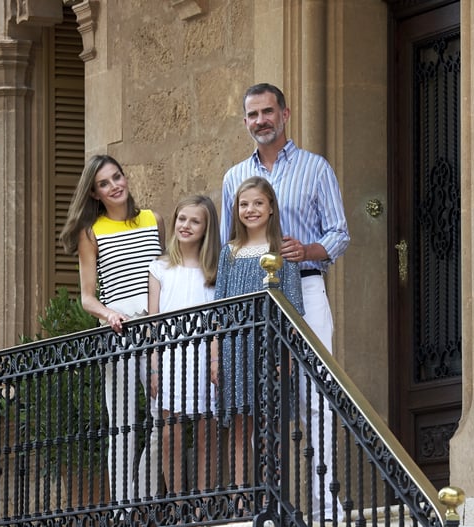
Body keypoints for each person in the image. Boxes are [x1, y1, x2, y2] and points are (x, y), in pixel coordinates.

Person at [220, 83, 350, 522]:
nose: (261, 120)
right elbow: (227, 243)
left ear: (285, 113)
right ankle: (263, 505)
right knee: (254, 399)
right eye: (253, 114)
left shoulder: (315, 168)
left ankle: (324, 508)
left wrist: (307, 250)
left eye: (268, 112)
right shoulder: (233, 178)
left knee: (316, 392)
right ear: (245, 121)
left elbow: (340, 233)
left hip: (306, 288)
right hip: (250, 298)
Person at [59, 154, 164, 505]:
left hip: (158, 327)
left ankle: (143, 500)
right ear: (94, 193)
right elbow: (87, 298)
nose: (114, 186)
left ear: (125, 177)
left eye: (117, 177)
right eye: (104, 183)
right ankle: (122, 510)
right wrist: (108, 315)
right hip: (118, 328)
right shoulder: (91, 232)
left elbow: (164, 276)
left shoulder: (154, 220)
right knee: (122, 425)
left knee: (163, 418)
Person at [212, 176, 304, 488]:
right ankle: (239, 496)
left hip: (269, 348)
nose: (251, 209)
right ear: (236, 209)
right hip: (234, 349)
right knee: (239, 423)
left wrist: (286, 356)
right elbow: (218, 311)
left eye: (258, 203)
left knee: (269, 425)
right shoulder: (229, 253)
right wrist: (215, 356)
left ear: (271, 208)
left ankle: (269, 497)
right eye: (244, 204)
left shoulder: (282, 250)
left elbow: (292, 310)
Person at [147, 195, 220, 495]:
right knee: (170, 438)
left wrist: (216, 361)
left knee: (207, 435)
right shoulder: (160, 268)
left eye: (195, 221)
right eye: (181, 218)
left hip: (205, 357)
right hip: (170, 358)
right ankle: (178, 507)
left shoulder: (215, 271)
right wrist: (153, 368)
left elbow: (219, 321)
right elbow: (153, 323)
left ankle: (204, 509)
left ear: (206, 228)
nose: (186, 226)